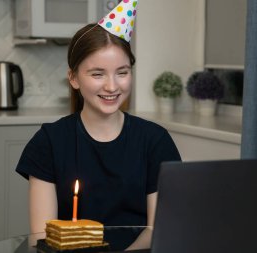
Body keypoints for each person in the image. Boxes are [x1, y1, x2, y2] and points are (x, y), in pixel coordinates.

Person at [16, 2, 181, 251]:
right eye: (97, 74)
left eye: (122, 72)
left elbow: (159, 231)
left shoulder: (155, 141)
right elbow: (41, 238)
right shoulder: (49, 142)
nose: (112, 86)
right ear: (73, 78)